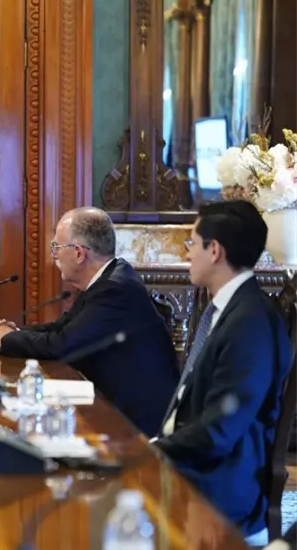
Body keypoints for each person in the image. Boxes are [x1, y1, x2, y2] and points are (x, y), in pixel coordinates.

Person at [153, 200, 289, 546]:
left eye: (192, 243)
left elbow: (218, 432)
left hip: (218, 488)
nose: (187, 254)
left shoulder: (250, 325)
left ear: (214, 250)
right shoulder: (230, 308)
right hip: (195, 466)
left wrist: (150, 452)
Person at [0, 206, 179, 436]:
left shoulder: (115, 289)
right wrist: (11, 332)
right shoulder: (106, 280)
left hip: (135, 426)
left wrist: (7, 338)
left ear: (78, 253)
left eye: (56, 247)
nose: (53, 255)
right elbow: (61, 328)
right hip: (111, 408)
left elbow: (63, 345)